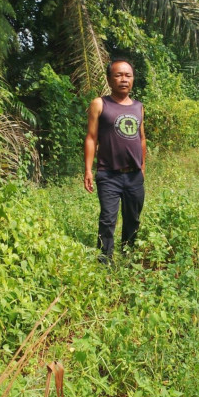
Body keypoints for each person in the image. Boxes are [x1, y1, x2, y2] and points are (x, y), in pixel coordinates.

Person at [84, 58, 146, 263]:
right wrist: (88, 170)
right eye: (118, 75)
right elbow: (91, 138)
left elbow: (142, 138)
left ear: (133, 79)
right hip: (109, 174)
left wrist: (142, 167)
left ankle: (129, 257)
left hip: (134, 175)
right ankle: (104, 261)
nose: (123, 79)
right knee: (108, 219)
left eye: (128, 75)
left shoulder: (139, 107)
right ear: (110, 80)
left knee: (133, 219)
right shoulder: (100, 103)